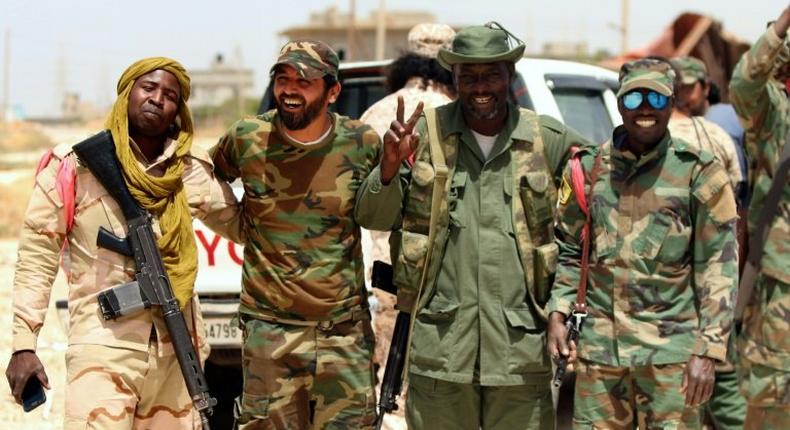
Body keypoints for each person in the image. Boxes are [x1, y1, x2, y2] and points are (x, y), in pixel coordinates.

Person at [355, 22, 590, 429]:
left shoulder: (544, 139)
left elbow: (596, 195)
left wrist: (566, 303)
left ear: (509, 77)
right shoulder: (425, 136)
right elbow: (374, 216)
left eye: (491, 75)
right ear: (455, 78)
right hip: (442, 350)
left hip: (520, 351)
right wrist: (389, 167)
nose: (480, 86)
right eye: (469, 76)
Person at [4, 57, 243, 429]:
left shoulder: (188, 170)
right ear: (127, 91)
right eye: (148, 88)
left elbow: (247, 229)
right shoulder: (77, 165)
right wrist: (23, 344)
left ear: (179, 109)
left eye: (170, 95)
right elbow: (38, 256)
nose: (157, 99)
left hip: (176, 354)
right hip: (102, 348)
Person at [547, 58, 738, 429]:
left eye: (656, 97)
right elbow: (571, 249)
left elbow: (719, 265)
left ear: (671, 102)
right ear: (620, 104)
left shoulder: (698, 171)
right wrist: (559, 311)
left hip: (671, 359)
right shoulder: (589, 168)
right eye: (634, 99)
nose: (645, 108)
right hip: (600, 356)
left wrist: (708, 351)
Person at [209, 40, 381, 429]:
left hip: (343, 334)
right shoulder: (248, 137)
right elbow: (206, 181)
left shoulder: (362, 143)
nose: (290, 89)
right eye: (283, 78)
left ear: (332, 91)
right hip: (270, 334)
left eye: (304, 81)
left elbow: (385, 210)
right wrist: (238, 226)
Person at [358, 22, 455, 426]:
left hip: (384, 269)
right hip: (446, 273)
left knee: (388, 383)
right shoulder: (459, 112)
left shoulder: (378, 112)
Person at [667, 55, 748, 430]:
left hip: (675, 291)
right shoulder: (717, 134)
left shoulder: (641, 130)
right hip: (704, 283)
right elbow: (737, 219)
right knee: (720, 383)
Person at [729, 6, 790, 428]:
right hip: (780, 297)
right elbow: (744, 84)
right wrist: (785, 22)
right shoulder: (774, 117)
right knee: (771, 411)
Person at [669, 56, 744, 198]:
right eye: (676, 88)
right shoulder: (664, 129)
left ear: (706, 87)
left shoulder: (724, 121)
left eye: (688, 88)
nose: (681, 95)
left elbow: (739, 185)